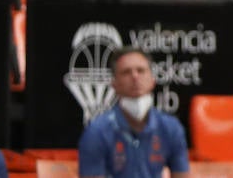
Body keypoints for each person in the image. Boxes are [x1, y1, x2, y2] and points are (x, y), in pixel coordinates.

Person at [78, 48, 189, 178]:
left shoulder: (171, 128)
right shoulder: (97, 132)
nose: (135, 77)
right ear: (114, 83)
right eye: (126, 72)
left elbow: (182, 174)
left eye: (141, 71)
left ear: (153, 80)